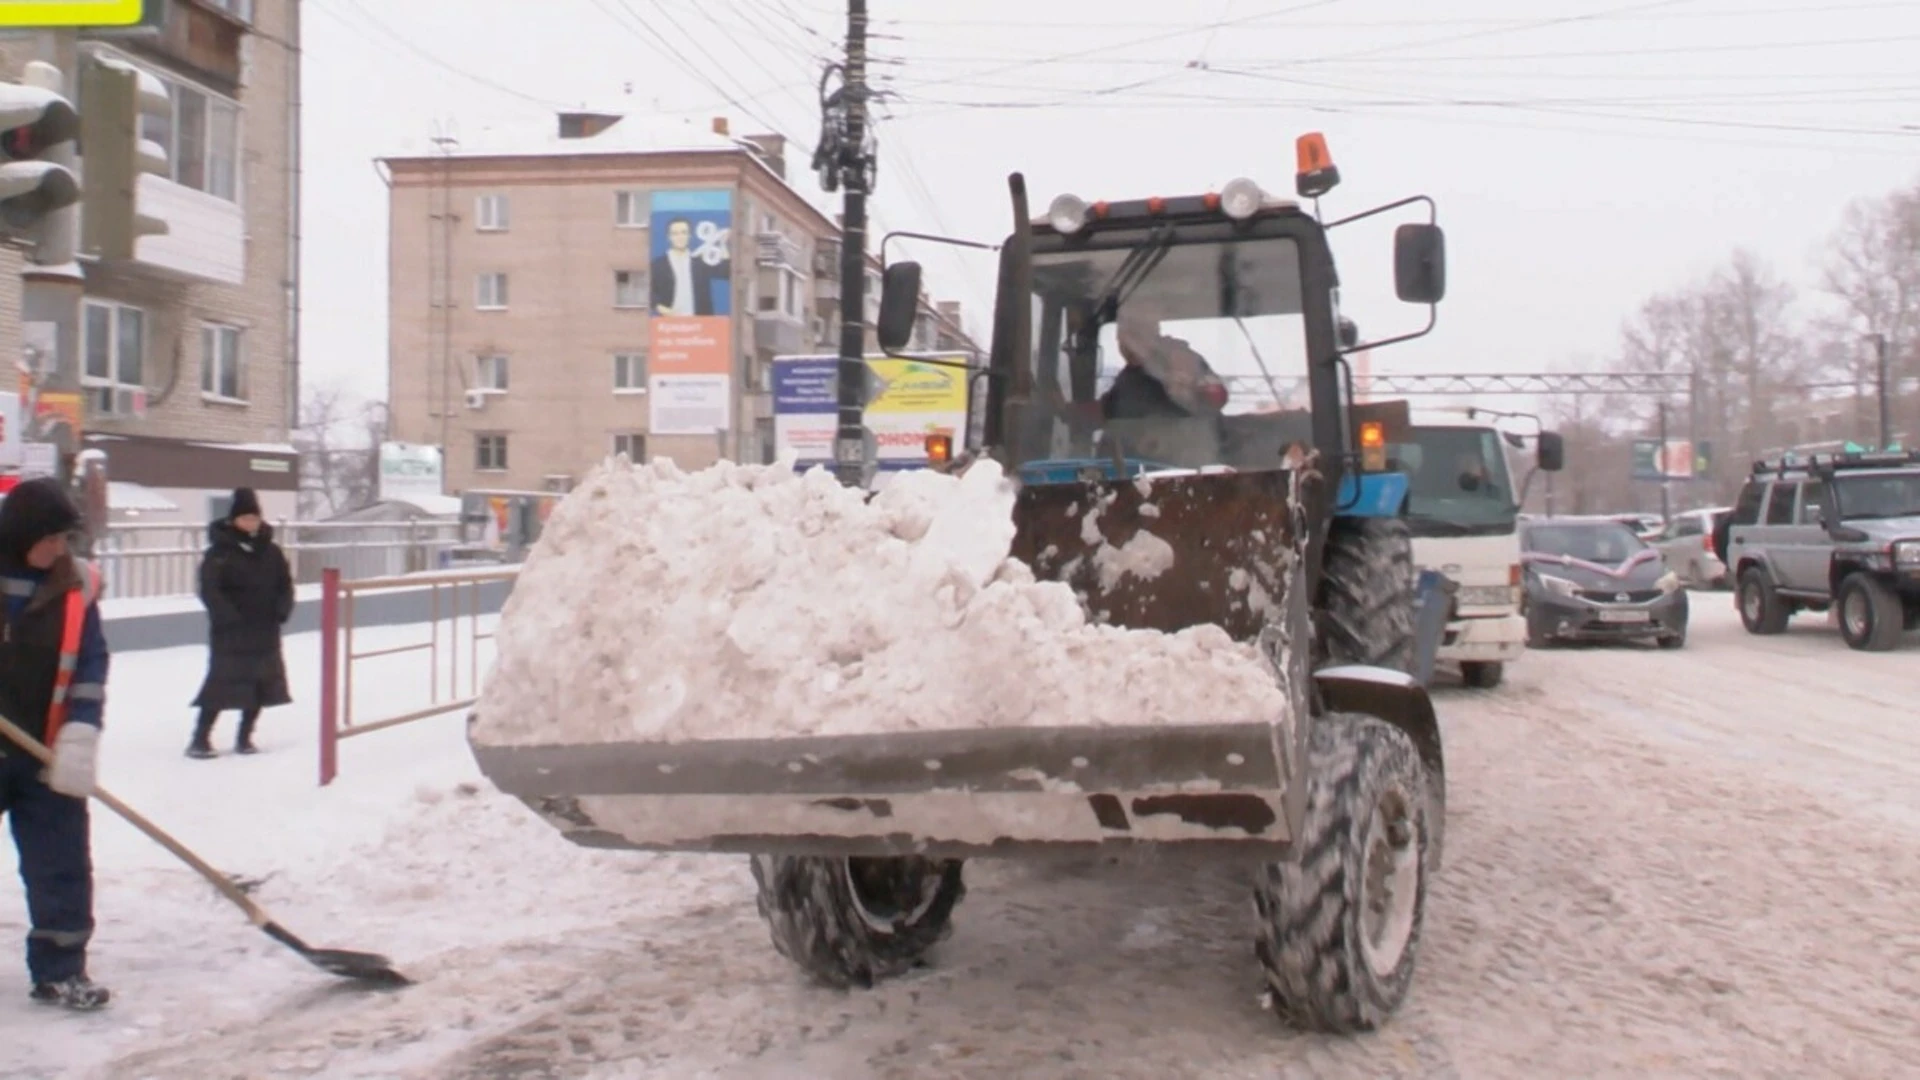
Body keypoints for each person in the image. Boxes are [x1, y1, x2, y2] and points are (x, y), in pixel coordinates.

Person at [0, 476, 111, 1010]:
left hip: (44, 751)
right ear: (24, 534)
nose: (60, 548)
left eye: (66, 538)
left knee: (62, 861)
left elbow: (90, 663)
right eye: (52, 538)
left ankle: (61, 967)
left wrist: (81, 730)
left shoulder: (77, 586)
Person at [188, 488, 293, 759]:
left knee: (260, 685)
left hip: (264, 628)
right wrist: (228, 617)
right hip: (231, 632)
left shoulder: (271, 552)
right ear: (234, 519)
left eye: (254, 518)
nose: (250, 523)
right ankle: (200, 738)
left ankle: (245, 737)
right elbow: (210, 589)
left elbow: (285, 583)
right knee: (221, 684)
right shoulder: (220, 553)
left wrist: (282, 609)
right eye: (245, 518)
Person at [649, 217, 718, 316]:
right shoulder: (658, 265)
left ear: (689, 235)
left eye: (684, 232)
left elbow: (726, 271)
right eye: (675, 233)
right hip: (669, 326)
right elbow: (648, 291)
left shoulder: (700, 263)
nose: (680, 237)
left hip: (700, 325)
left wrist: (722, 243)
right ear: (669, 237)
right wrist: (661, 308)